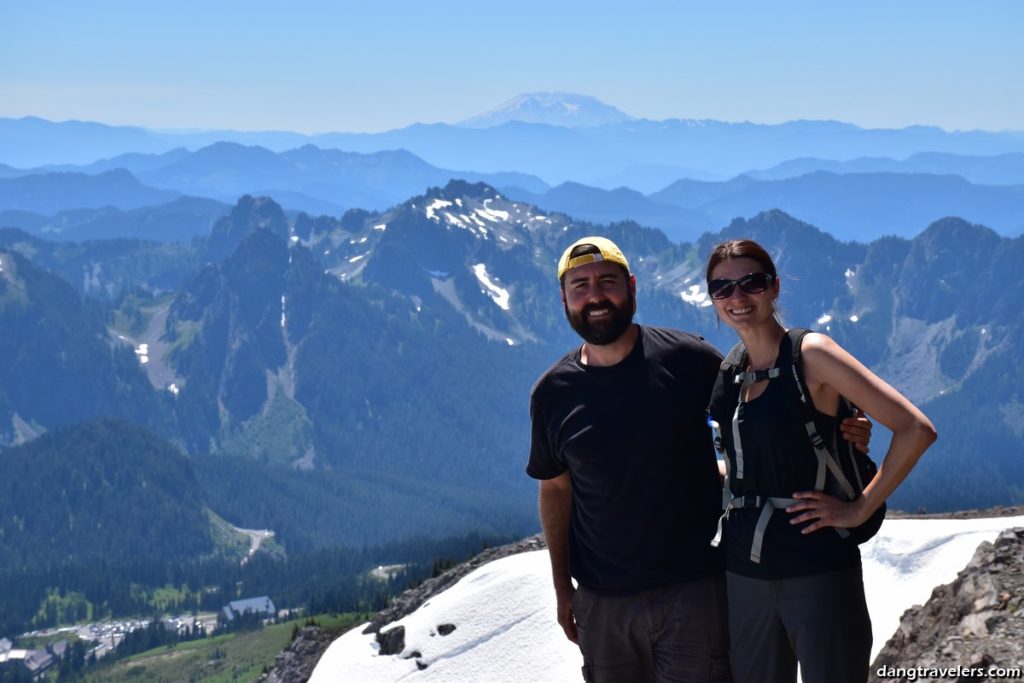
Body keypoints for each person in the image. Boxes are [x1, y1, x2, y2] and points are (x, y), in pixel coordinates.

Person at [526, 236, 871, 683]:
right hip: (603, 603)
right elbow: (555, 488)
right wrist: (561, 590)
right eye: (580, 286)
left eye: (606, 282)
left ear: (631, 286)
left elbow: (774, 396)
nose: (595, 296)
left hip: (695, 594)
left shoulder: (689, 359)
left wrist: (842, 424)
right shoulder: (552, 394)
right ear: (564, 298)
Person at [704, 239, 937, 683]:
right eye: (723, 288)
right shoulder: (730, 371)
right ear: (713, 298)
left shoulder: (811, 355)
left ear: (773, 288)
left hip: (818, 570)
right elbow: (743, 466)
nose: (737, 297)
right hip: (744, 572)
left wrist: (858, 508)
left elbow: (915, 428)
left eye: (751, 283)